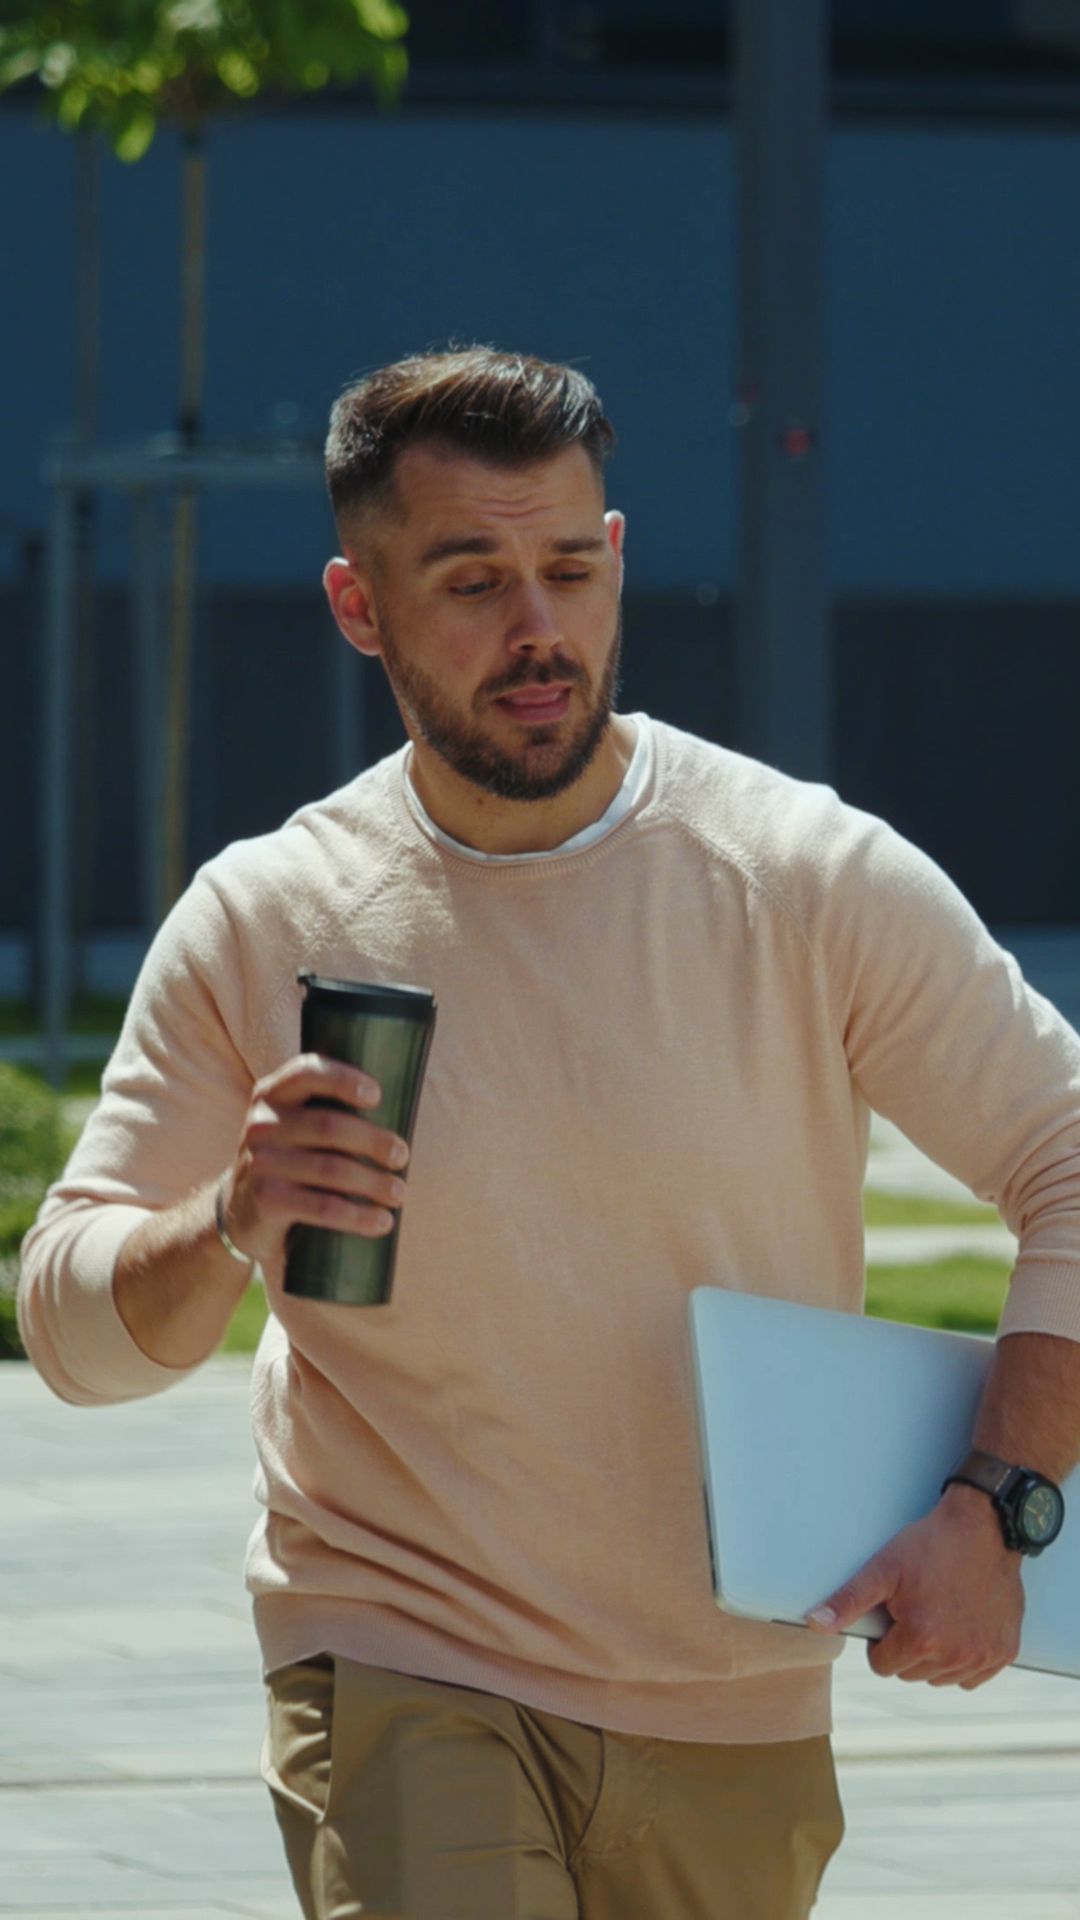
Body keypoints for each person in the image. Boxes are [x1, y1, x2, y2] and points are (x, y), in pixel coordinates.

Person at [19, 347, 1080, 1920]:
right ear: (359, 604)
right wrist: (227, 1219)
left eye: (571, 570)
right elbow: (70, 1332)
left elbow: (1065, 1159)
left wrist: (1000, 1507)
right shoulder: (266, 915)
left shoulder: (802, 876)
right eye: (472, 582)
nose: (538, 629)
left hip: (734, 1696)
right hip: (397, 1649)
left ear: (617, 560)